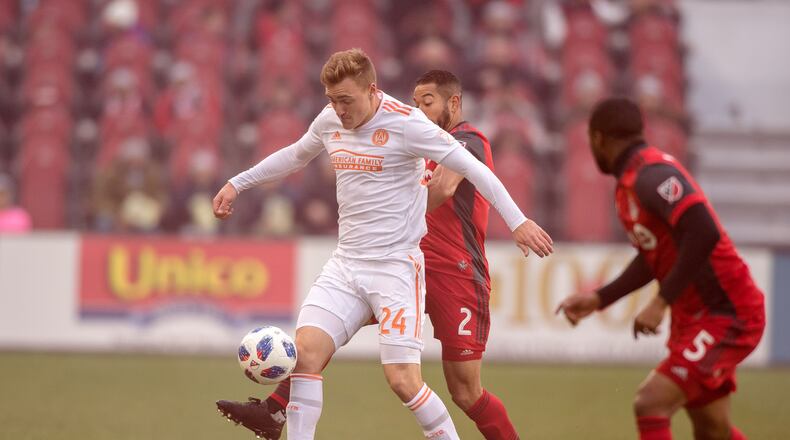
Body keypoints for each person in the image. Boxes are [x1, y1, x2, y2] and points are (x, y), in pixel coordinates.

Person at [213, 49, 553, 440]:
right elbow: (295, 156)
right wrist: (237, 183)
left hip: (395, 269)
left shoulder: (407, 125)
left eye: (346, 100)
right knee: (305, 353)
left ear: (372, 90)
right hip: (345, 265)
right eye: (332, 100)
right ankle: (279, 421)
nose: (338, 109)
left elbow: (471, 168)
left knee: (404, 381)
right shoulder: (329, 120)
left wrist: (518, 220)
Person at [556, 98, 764, 440]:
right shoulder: (631, 183)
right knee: (713, 430)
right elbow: (654, 257)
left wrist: (660, 301)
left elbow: (704, 231)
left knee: (650, 402)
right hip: (696, 317)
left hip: (727, 312)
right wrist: (599, 299)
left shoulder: (652, 175)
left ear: (597, 139)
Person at [414, 70, 521, 439]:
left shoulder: (469, 141)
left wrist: (394, 217)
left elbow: (442, 188)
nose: (419, 111)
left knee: (465, 392)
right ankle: (278, 408)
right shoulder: (420, 146)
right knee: (338, 320)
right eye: (415, 104)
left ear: (453, 103)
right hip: (412, 267)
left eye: (427, 102)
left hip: (457, 274)